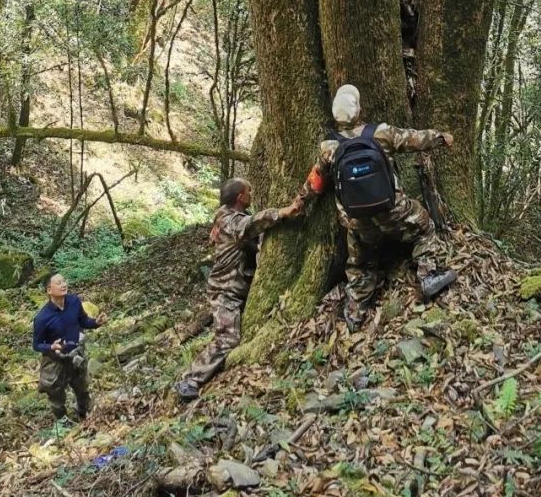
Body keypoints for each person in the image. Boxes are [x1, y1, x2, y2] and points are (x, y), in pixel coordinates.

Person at [298, 83, 457, 329]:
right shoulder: (380, 133)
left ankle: (355, 309)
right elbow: (414, 139)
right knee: (424, 226)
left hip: (357, 221)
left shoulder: (328, 147)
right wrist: (441, 137)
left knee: (360, 262)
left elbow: (315, 182)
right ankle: (428, 274)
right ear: (358, 110)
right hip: (393, 211)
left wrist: (299, 203)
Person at [174, 177, 302, 400]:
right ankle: (190, 379)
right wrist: (282, 212)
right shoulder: (230, 222)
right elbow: (250, 225)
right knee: (228, 338)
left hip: (238, 287)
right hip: (226, 291)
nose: (252, 193)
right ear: (239, 197)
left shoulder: (227, 219)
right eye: (248, 190)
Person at [32, 272, 104, 423]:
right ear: (49, 290)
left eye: (64, 281)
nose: (63, 284)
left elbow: (83, 321)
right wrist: (51, 346)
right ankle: (63, 422)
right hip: (55, 359)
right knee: (56, 394)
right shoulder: (42, 317)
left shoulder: (74, 301)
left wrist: (96, 322)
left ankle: (85, 416)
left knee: (82, 388)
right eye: (58, 283)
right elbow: (37, 344)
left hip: (76, 353)